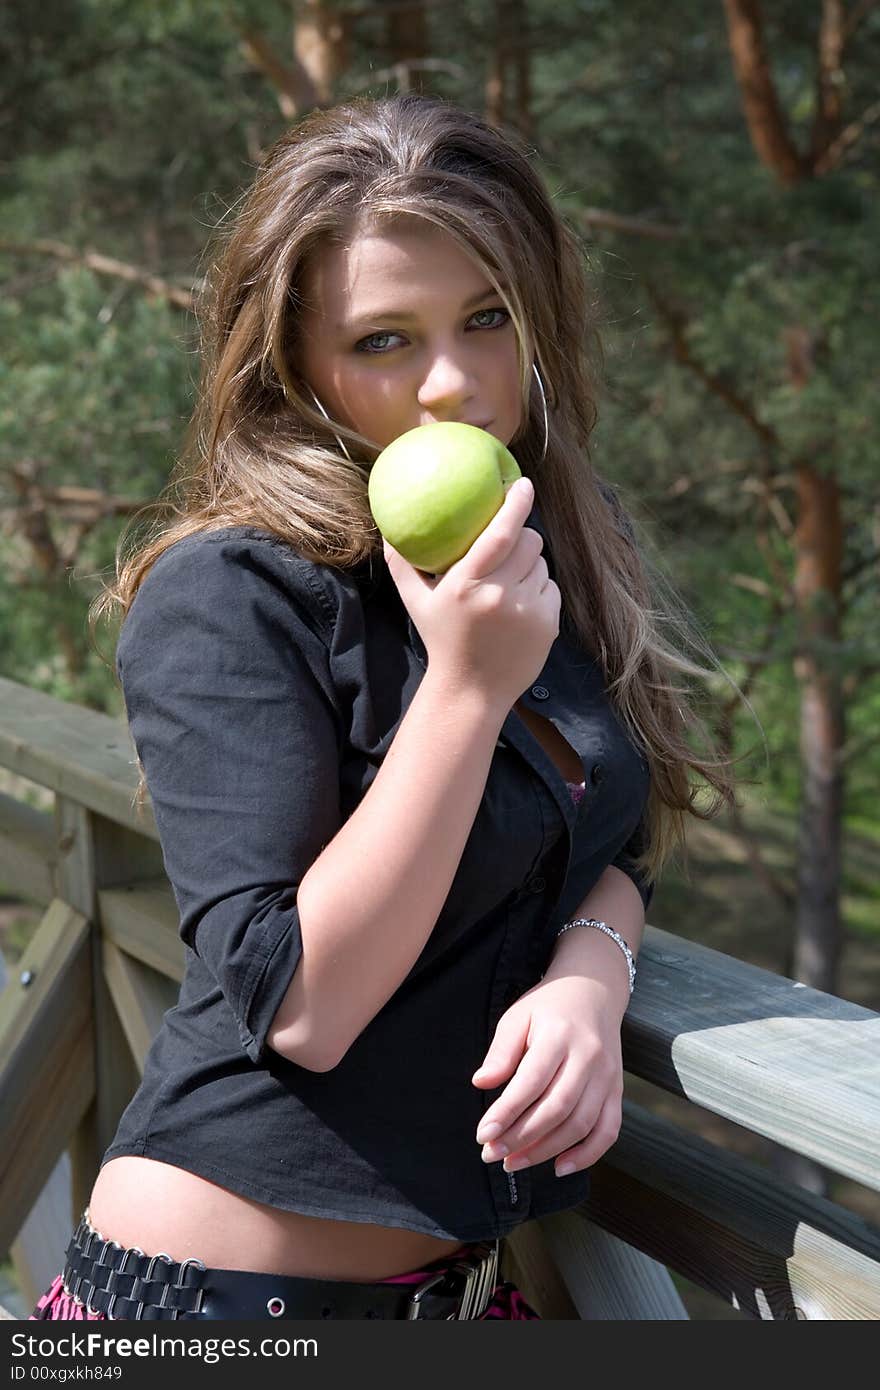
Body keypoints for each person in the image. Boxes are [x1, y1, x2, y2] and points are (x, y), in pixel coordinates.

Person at [32, 91, 734, 1322]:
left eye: (487, 317)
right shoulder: (232, 591)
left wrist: (591, 967)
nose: (454, 383)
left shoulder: (543, 539)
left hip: (452, 1295)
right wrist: (465, 686)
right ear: (295, 362)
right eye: (383, 341)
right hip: (213, 1303)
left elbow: (612, 827)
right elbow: (300, 1004)